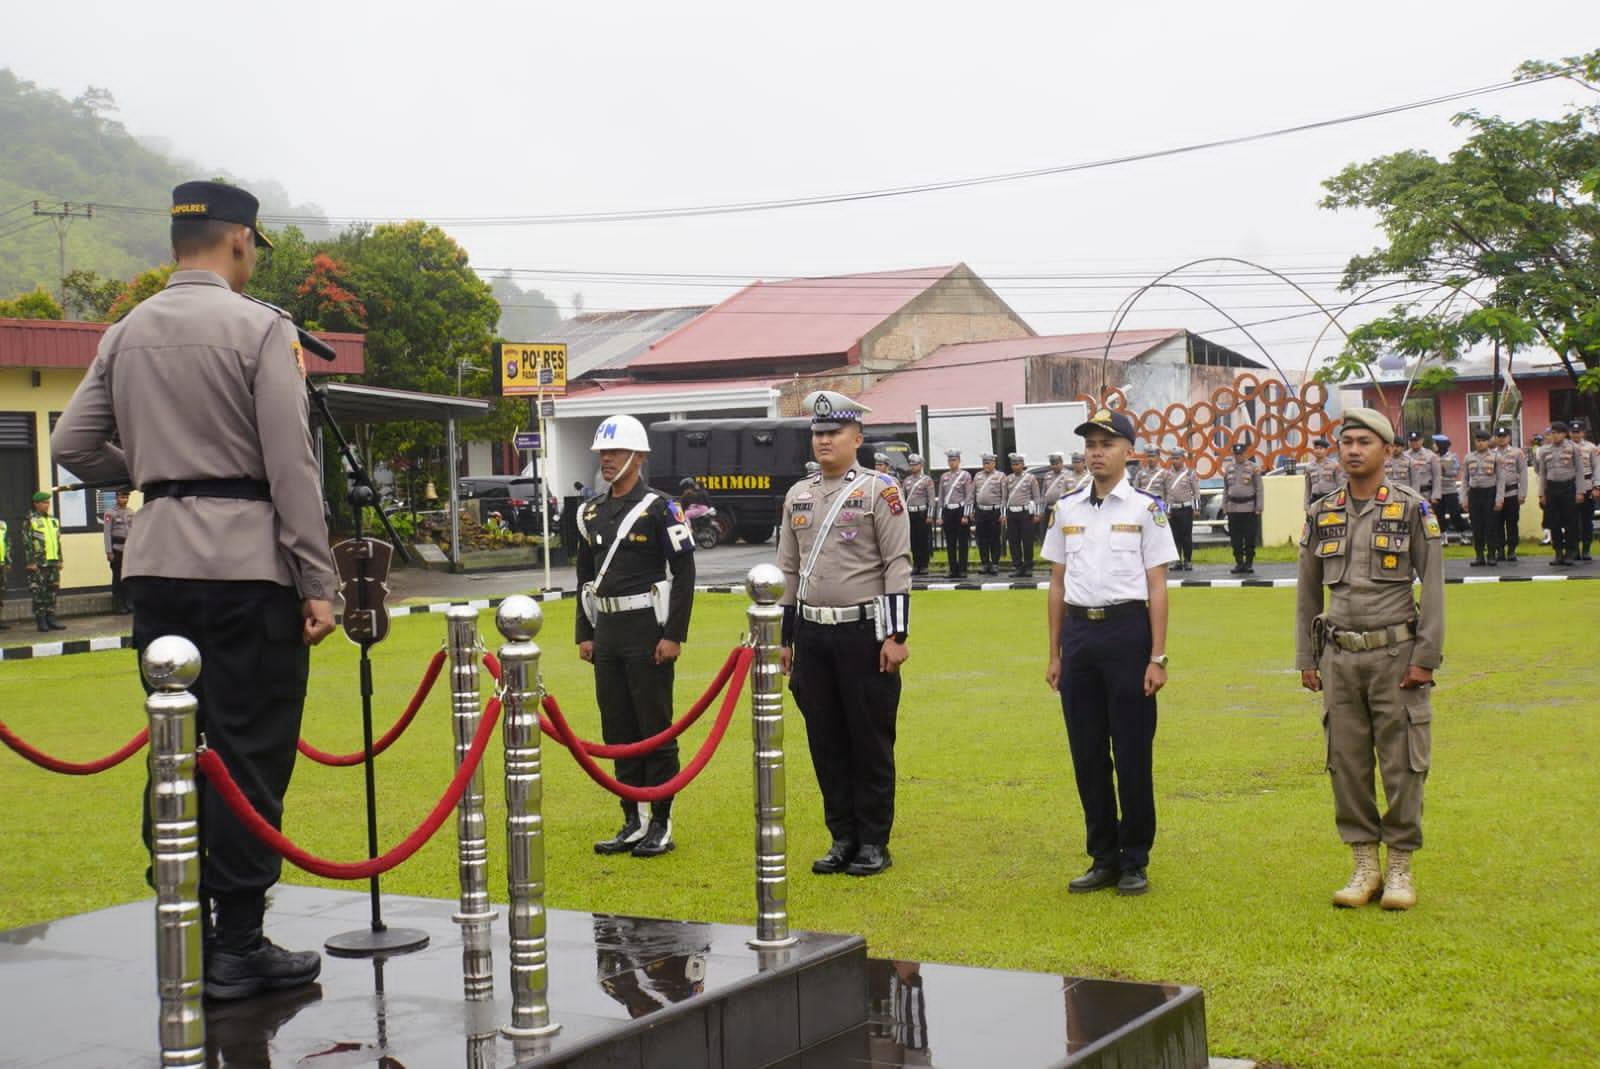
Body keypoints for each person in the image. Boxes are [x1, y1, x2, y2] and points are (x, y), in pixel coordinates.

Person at [51, 179, 337, 1000]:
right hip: (246, 567)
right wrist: (316, 578)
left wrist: (151, 475)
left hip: (158, 562)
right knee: (250, 745)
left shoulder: (127, 330)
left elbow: (73, 441)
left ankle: (185, 918)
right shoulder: (260, 329)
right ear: (241, 241)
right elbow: (291, 464)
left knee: (177, 741)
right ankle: (240, 941)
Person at [1295, 406, 1443, 911]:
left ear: (1388, 450)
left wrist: (1425, 657)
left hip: (1396, 657)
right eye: (1346, 442)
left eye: (1365, 442)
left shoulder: (1411, 509)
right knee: (1346, 763)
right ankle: (1364, 865)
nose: (1353, 450)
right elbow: (1308, 591)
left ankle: (1400, 866)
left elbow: (1436, 589)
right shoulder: (1322, 512)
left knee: (1402, 765)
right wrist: (1306, 658)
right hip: (1339, 658)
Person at [777, 390, 911, 878]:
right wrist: (784, 639)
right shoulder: (799, 495)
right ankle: (842, 836)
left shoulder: (880, 491)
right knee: (825, 740)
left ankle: (874, 840)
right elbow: (787, 571)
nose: (824, 440)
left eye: (833, 432)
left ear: (857, 437)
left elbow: (897, 564)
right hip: (813, 636)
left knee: (869, 740)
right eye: (817, 433)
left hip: (864, 635)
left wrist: (896, 636)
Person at [1042, 408, 1175, 897]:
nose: (1096, 452)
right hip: (1079, 637)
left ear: (1128, 452)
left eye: (1107, 444)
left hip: (1127, 634)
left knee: (1133, 752)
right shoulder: (1067, 508)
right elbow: (1056, 584)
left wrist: (1157, 656)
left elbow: (1157, 587)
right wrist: (1055, 653)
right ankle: (1102, 856)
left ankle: (1135, 858)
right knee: (1088, 753)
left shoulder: (1145, 509)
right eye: (1091, 444)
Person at [575, 413, 696, 857]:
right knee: (617, 730)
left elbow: (684, 572)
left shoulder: (662, 507)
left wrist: (674, 634)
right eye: (604, 453)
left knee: (655, 727)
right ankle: (631, 818)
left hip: (648, 628)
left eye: (617, 452)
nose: (607, 460)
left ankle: (660, 822)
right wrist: (584, 632)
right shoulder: (591, 510)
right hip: (607, 630)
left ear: (638, 457)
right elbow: (584, 576)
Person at [1537, 421, 1588, 567]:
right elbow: (1542, 473)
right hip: (1552, 488)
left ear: (1565, 434)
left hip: (1568, 487)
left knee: (1570, 522)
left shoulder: (1574, 448)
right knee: (1554, 522)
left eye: (1558, 432)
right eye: (1552, 433)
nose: (1554, 435)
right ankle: (1558, 551)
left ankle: (1570, 552)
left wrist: (1580, 491)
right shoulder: (1545, 450)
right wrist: (1542, 494)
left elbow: (1579, 471)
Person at [24, 491, 67, 632]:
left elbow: (57, 541)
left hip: (53, 561)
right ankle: (41, 620)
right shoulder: (30, 520)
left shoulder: (53, 520)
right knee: (39, 592)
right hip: (39, 562)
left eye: (48, 502)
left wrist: (60, 559)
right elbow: (27, 543)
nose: (46, 505)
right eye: (43, 502)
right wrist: (31, 561)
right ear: (36, 504)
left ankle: (51, 618)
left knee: (52, 591)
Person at [1463, 429, 1505, 566]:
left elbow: (1501, 479)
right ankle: (1479, 555)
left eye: (1483, 441)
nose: (1480, 444)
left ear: (1488, 442)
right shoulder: (1469, 457)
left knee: (1491, 526)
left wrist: (1499, 499)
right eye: (1478, 441)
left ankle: (1492, 554)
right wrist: (1464, 498)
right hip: (1475, 493)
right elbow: (1465, 480)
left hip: (1490, 492)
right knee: (1476, 526)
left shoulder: (1495, 457)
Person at [1221, 443, 1263, 575]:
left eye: (1241, 454)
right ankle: (1239, 563)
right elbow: (1226, 489)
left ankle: (1248, 563)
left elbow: (1259, 489)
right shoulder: (1229, 468)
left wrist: (1259, 507)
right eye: (1236, 454)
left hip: (1249, 508)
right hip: (1233, 509)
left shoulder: (1253, 468)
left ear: (1246, 454)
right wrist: (1224, 505)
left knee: (1250, 538)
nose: (1238, 456)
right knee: (1235, 539)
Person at [934, 450, 972, 577]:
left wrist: (966, 515)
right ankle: (953, 569)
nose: (951, 462)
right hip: (948, 511)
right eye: (950, 460)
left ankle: (962, 569)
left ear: (959, 461)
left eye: (954, 460)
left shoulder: (965, 475)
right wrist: (939, 516)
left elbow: (968, 497)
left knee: (962, 542)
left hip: (960, 510)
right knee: (950, 542)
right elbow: (941, 497)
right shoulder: (944, 476)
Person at [1002, 452, 1041, 577]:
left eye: (1018, 464)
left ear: (1023, 464)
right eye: (1013, 464)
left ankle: (1028, 566)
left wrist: (1037, 514)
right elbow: (1004, 498)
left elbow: (1036, 497)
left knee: (1027, 540)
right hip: (1012, 513)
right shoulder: (1008, 479)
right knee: (1013, 541)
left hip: (1025, 512)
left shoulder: (1030, 478)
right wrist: (1003, 514)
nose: (1015, 466)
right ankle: (1017, 566)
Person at [900, 454, 935, 576]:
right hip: (910, 512)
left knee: (923, 540)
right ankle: (916, 564)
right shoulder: (907, 480)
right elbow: (903, 498)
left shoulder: (926, 480)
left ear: (921, 465)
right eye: (911, 464)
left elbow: (931, 499)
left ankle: (924, 564)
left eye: (915, 464)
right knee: (913, 540)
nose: (913, 467)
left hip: (922, 512)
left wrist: (930, 515)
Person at [1164, 450, 1199, 571]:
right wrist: (1167, 510)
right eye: (1173, 458)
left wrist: (1197, 508)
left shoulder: (1190, 473)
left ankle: (1188, 561)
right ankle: (1177, 561)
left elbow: (1196, 492)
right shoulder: (1168, 474)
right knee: (1175, 536)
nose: (1175, 461)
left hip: (1186, 509)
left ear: (1183, 459)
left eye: (1177, 458)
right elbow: (1167, 494)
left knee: (1186, 536)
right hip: (1173, 509)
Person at [972, 453, 1006, 576]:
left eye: (988, 463)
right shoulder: (978, 476)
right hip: (981, 511)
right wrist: (971, 511)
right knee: (982, 539)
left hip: (994, 511)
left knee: (995, 538)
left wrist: (1003, 514)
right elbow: (973, 495)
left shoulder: (1000, 476)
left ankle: (995, 563)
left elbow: (1004, 497)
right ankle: (985, 563)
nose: (986, 465)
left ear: (994, 464)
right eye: (984, 463)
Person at [1493, 427, 1523, 561]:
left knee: (1512, 523)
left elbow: (1523, 473)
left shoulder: (1517, 453)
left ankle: (1511, 549)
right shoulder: (1491, 454)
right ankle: (1500, 549)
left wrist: (1522, 493)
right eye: (1499, 436)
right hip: (1496, 495)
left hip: (1512, 493)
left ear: (1509, 438)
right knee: (1497, 523)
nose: (1501, 438)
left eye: (1504, 436)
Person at [102, 487, 134, 612]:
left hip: (129, 549)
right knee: (117, 578)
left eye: (126, 497)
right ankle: (118, 605)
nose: (124, 500)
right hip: (116, 549)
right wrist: (108, 551)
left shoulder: (131, 512)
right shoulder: (110, 513)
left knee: (128, 578)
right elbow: (106, 533)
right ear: (116, 497)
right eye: (122, 497)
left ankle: (128, 603)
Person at [1431, 436, 1465, 545]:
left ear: (1441, 445)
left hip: (1450, 490)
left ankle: (1463, 535)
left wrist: (1443, 467)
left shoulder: (1452, 457)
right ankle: (1443, 537)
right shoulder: (1432, 457)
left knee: (1455, 514)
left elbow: (1454, 472)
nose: (1433, 446)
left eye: (1435, 444)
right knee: (1439, 514)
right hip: (1438, 491)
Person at [1571, 419, 1596, 560]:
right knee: (1572, 521)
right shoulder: (1564, 447)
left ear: (1583, 433)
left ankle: (1586, 549)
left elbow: (1596, 468)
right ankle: (1574, 549)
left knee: (1587, 520)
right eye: (1573, 432)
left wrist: (1596, 486)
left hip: (1587, 486)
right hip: (1570, 487)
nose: (1575, 435)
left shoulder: (1591, 447)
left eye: (1578, 432)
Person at [1039, 451, 1075, 545]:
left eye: (1056, 463)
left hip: (1061, 508)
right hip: (1048, 508)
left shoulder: (1069, 474)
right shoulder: (1047, 475)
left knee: (1061, 532)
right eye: (1052, 464)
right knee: (1048, 532)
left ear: (1061, 463)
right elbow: (1043, 493)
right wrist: (1041, 510)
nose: (1054, 466)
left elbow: (1071, 493)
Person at [1304, 437, 1345, 505]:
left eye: (1321, 448)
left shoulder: (1334, 465)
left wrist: (1339, 501)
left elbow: (1340, 485)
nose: (1318, 450)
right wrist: (1306, 504)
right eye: (1316, 448)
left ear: (1326, 450)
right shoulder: (1309, 467)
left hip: (1330, 500)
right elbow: (1307, 488)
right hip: (1315, 500)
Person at [1404, 431, 1440, 504]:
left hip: (1426, 494)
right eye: (1411, 441)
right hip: (1409, 494)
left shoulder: (1430, 455)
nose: (1414, 443)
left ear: (1422, 440)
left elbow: (1436, 476)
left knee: (1426, 514)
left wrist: (1435, 495)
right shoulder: (1404, 456)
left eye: (1416, 440)